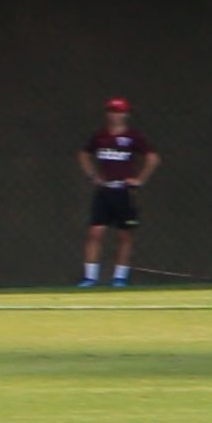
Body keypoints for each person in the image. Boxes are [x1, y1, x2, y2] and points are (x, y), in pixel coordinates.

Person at [77, 97, 160, 287]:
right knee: (95, 232)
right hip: (105, 191)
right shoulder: (100, 136)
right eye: (112, 112)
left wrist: (139, 180)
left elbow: (153, 158)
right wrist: (93, 176)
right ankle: (90, 277)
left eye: (120, 112)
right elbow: (83, 154)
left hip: (124, 192)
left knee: (125, 235)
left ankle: (120, 277)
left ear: (126, 114)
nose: (116, 116)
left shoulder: (133, 137)